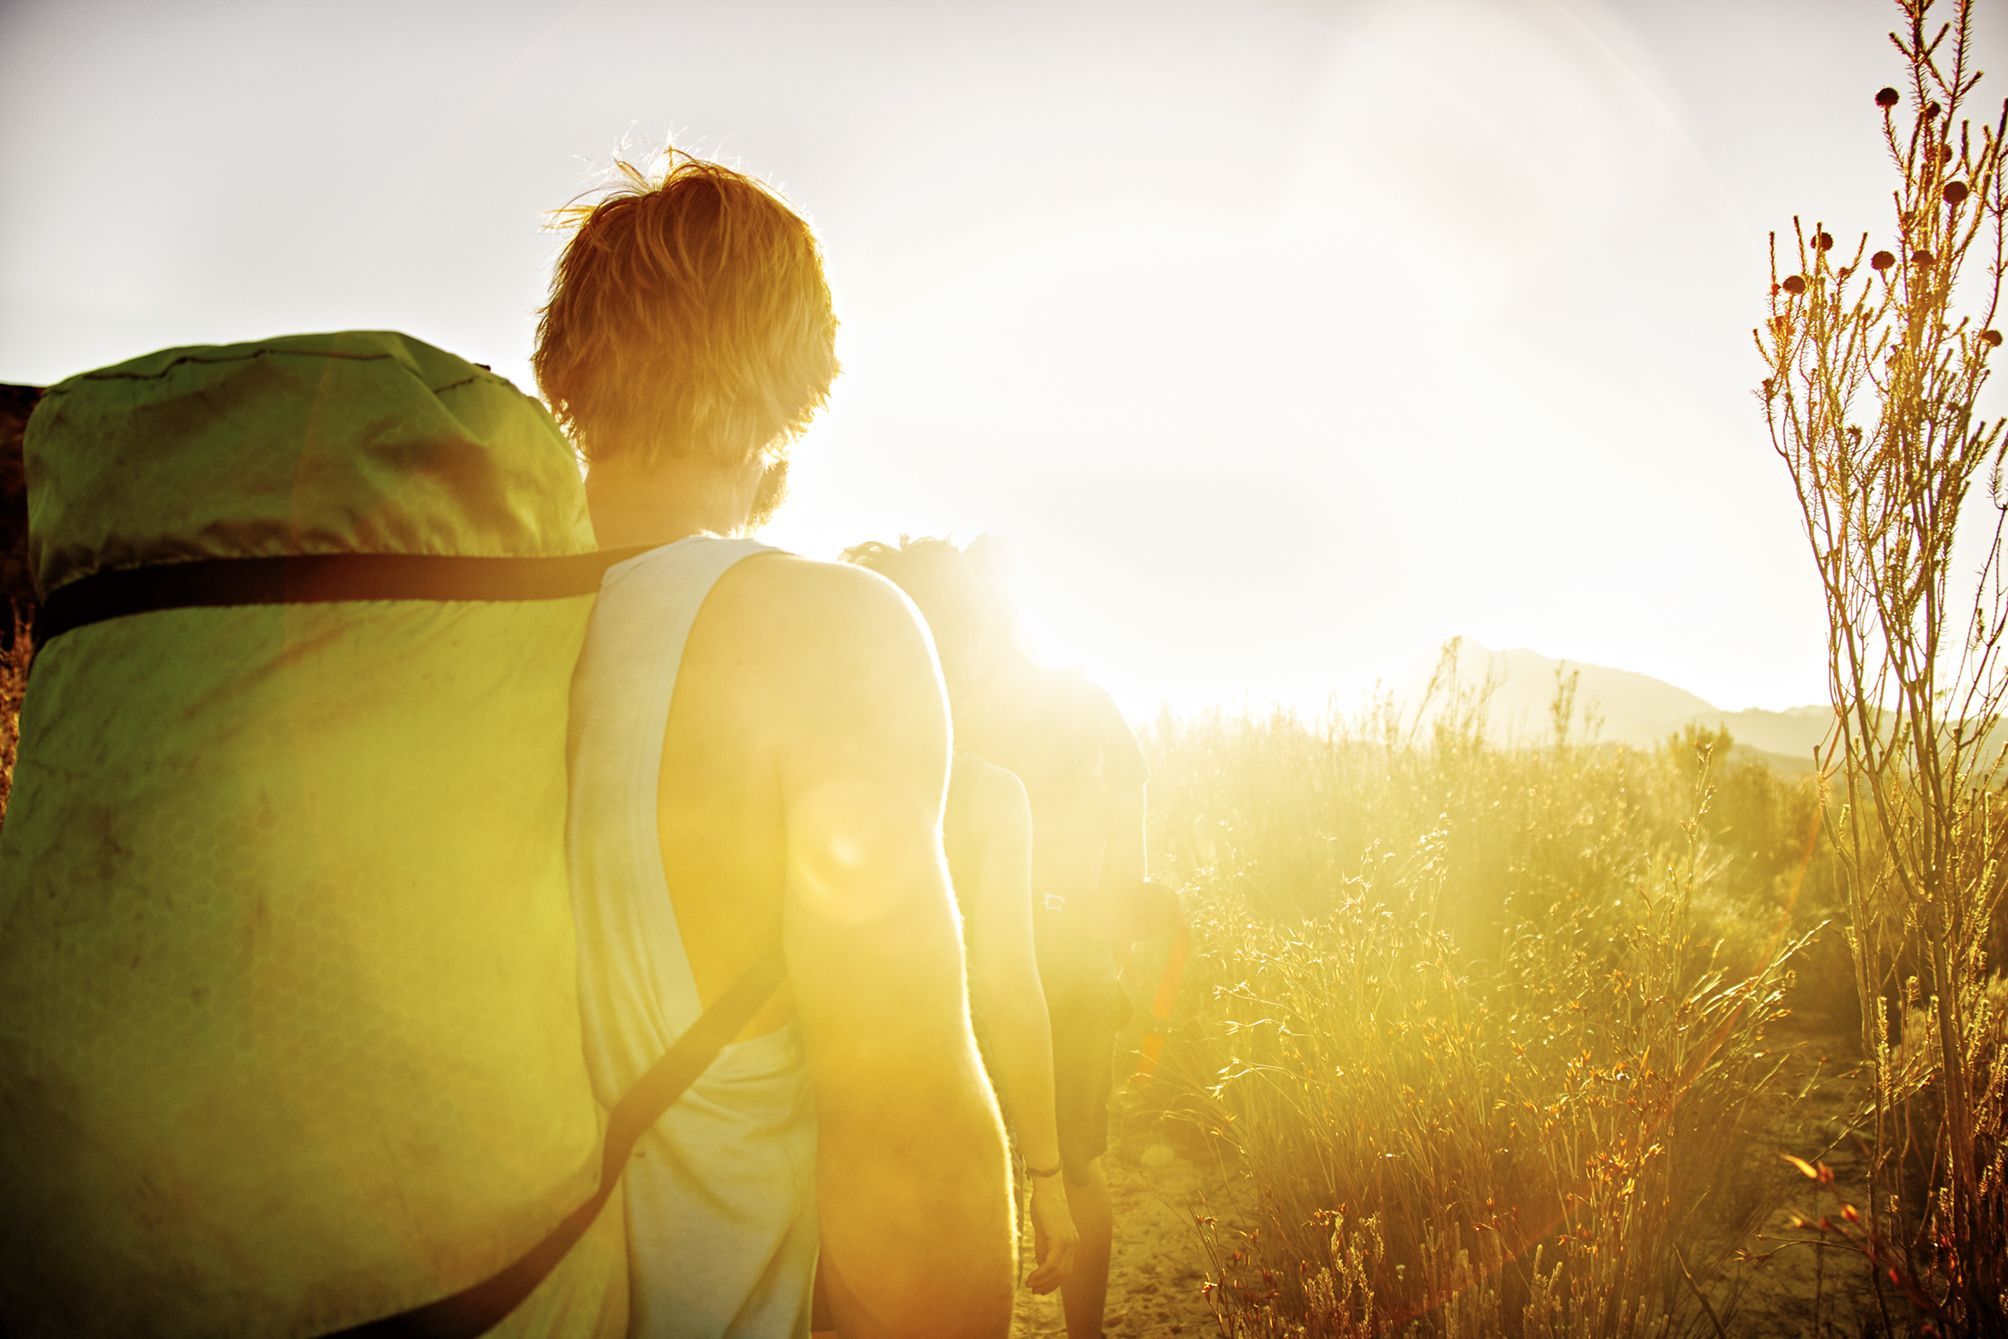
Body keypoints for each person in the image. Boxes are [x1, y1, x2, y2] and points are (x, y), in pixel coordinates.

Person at [538, 149, 1015, 1337]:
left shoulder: (462, 632)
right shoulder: (821, 631)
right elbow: (912, 1150)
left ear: (569, 369)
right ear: (794, 381)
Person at [846, 537, 1171, 1339]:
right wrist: (1111, 943)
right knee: (1065, 1160)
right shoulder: (1063, 700)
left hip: (986, 945)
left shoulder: (975, 695)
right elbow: (1127, 847)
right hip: (1044, 950)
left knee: (990, 1157)